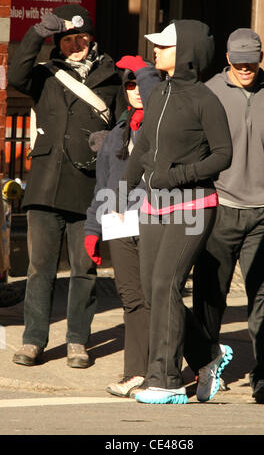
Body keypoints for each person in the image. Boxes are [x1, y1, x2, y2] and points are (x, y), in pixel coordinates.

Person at [116, 20, 233, 404]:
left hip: (193, 207)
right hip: (154, 206)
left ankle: (164, 380)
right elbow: (145, 147)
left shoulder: (205, 99)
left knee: (165, 285)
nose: (156, 51)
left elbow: (222, 155)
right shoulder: (160, 93)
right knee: (153, 292)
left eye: (164, 47)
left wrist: (178, 176)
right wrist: (122, 193)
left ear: (185, 54)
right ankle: (207, 356)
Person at [7, 4, 125, 368]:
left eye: (82, 37)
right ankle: (33, 340)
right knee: (40, 268)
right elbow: (14, 75)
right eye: (68, 39)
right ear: (59, 43)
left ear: (92, 39)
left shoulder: (113, 77)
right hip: (45, 184)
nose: (76, 45)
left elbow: (124, 129)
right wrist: (37, 34)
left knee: (83, 268)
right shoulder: (45, 75)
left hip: (88, 187)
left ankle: (77, 341)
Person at [193, 28, 264, 403]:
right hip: (219, 209)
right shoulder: (209, 92)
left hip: (263, 214)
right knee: (209, 294)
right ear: (228, 58)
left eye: (252, 60)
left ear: (261, 58)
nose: (246, 67)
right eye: (239, 61)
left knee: (263, 297)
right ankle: (204, 365)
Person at [84, 55, 160, 397]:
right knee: (131, 299)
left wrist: (145, 73)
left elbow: (156, 98)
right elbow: (102, 188)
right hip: (118, 223)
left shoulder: (162, 124)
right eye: (130, 84)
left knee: (159, 298)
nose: (137, 90)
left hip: (157, 222)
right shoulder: (115, 134)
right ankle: (136, 373)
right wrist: (91, 230)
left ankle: (196, 357)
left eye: (141, 83)